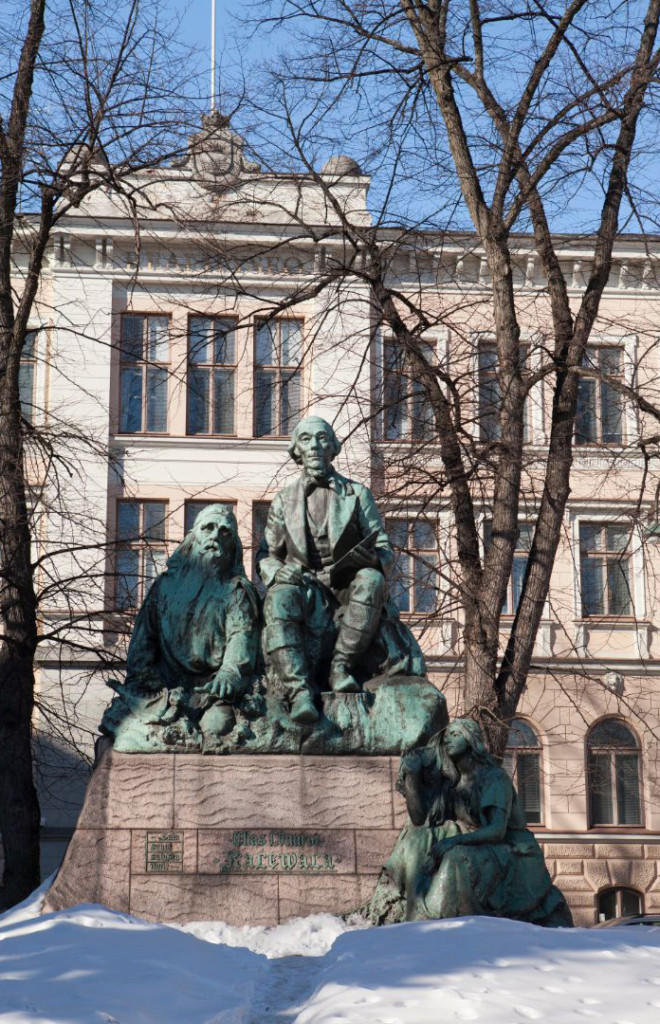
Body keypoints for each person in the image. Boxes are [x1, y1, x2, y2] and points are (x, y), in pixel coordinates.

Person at [258, 416, 425, 725]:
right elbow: (266, 556)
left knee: (372, 579)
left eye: (322, 439)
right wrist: (278, 573)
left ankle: (341, 667)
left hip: (344, 585)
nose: (315, 446)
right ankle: (300, 693)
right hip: (305, 587)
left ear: (333, 448)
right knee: (278, 598)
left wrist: (370, 558)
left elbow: (385, 547)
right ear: (296, 451)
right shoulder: (284, 500)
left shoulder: (358, 494)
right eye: (306, 440)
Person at [361, 718, 573, 927]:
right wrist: (412, 777)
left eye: (455, 734)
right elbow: (418, 820)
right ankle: (415, 914)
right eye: (446, 737)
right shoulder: (453, 783)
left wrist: (452, 842)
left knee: (456, 857)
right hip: (477, 841)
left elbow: (497, 831)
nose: (448, 740)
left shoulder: (494, 778)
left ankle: (450, 922)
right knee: (417, 838)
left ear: (471, 740)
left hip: (511, 849)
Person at [106, 503, 260, 739]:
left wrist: (229, 672)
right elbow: (144, 641)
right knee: (120, 723)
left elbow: (241, 636)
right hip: (164, 687)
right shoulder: (164, 586)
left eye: (225, 532)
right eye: (208, 528)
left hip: (212, 690)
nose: (215, 537)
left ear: (234, 545)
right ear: (193, 537)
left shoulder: (237, 591)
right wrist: (141, 680)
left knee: (217, 729)